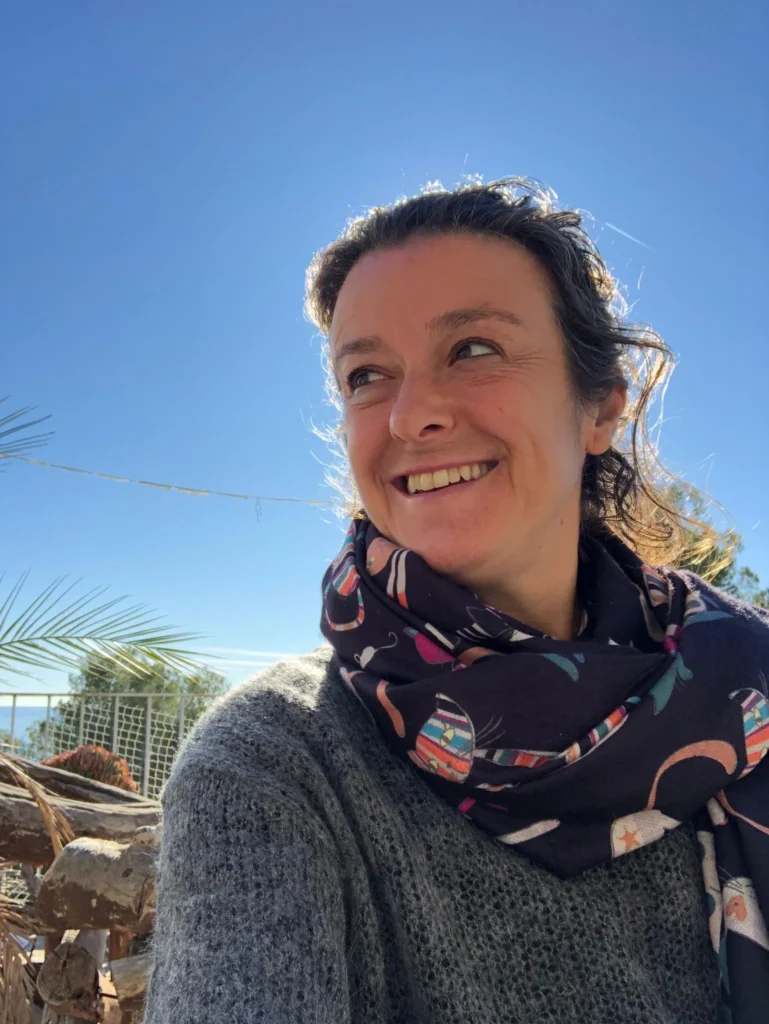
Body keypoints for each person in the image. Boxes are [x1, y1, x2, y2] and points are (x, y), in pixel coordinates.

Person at [144, 179, 769, 1024]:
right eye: (366, 375)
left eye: (472, 349)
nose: (411, 416)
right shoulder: (276, 764)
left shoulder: (748, 686)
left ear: (599, 408)